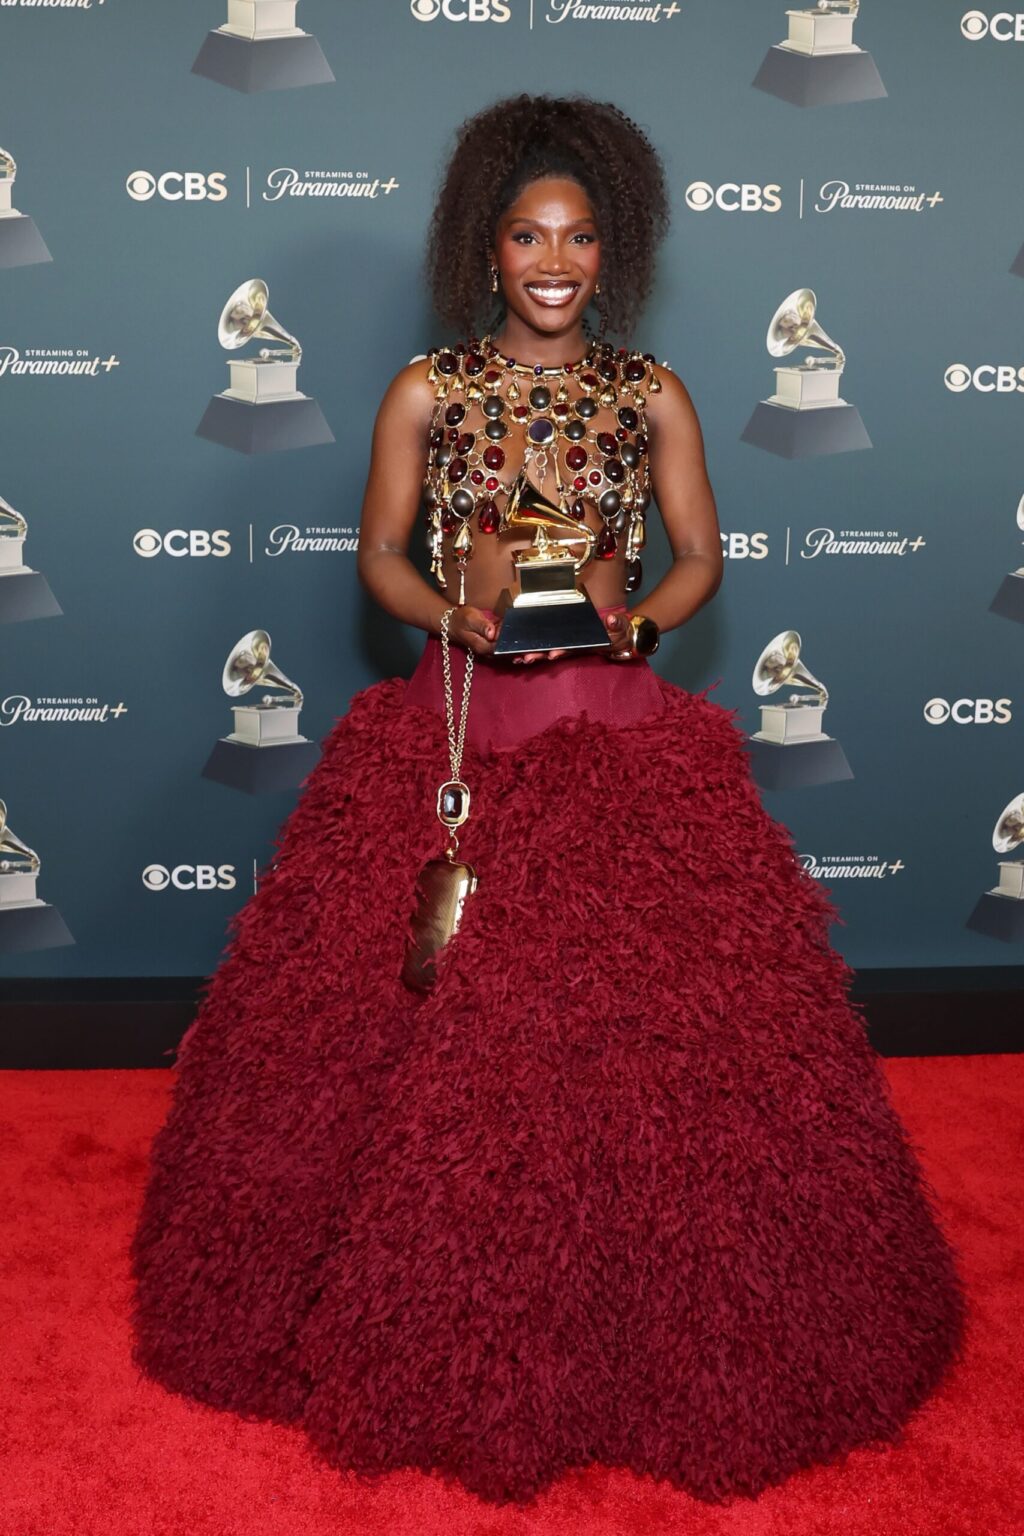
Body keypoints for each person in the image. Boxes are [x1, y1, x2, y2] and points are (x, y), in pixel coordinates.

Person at [130, 93, 968, 1507]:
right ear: (488, 246)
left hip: (616, 737)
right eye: (528, 234)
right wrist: (447, 615)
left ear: (612, 248)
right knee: (406, 1041)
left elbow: (699, 557)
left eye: (579, 236)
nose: (555, 261)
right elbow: (380, 559)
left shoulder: (650, 396)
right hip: (459, 736)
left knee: (647, 1052)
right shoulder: (428, 391)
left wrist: (642, 622)